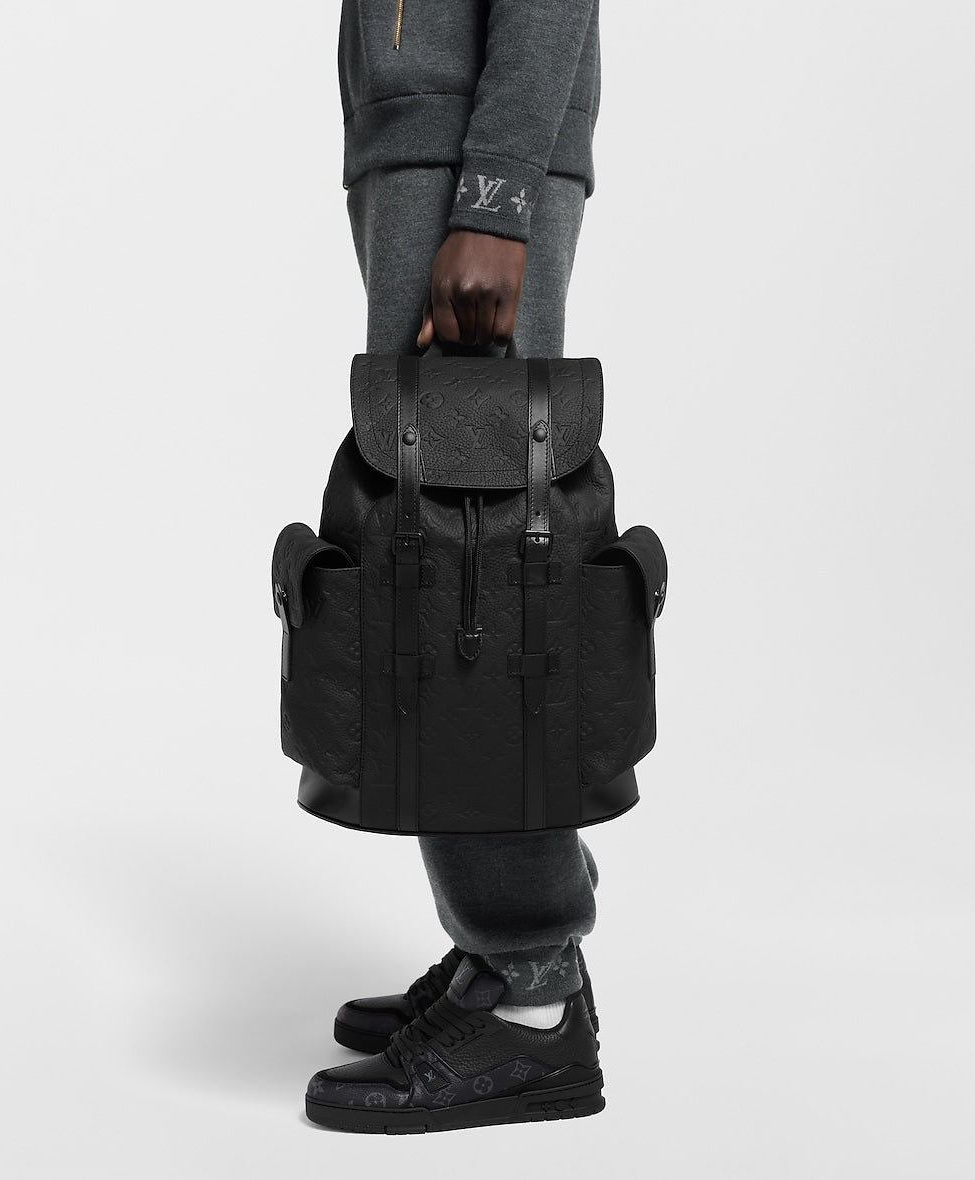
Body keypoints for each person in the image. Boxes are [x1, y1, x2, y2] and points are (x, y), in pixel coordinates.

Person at [304, 1, 606, 1131]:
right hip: (427, 148)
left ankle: (530, 993)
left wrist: (493, 197)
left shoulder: (480, 182)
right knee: (439, 556)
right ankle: (497, 952)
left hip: (466, 160)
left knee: (467, 568)